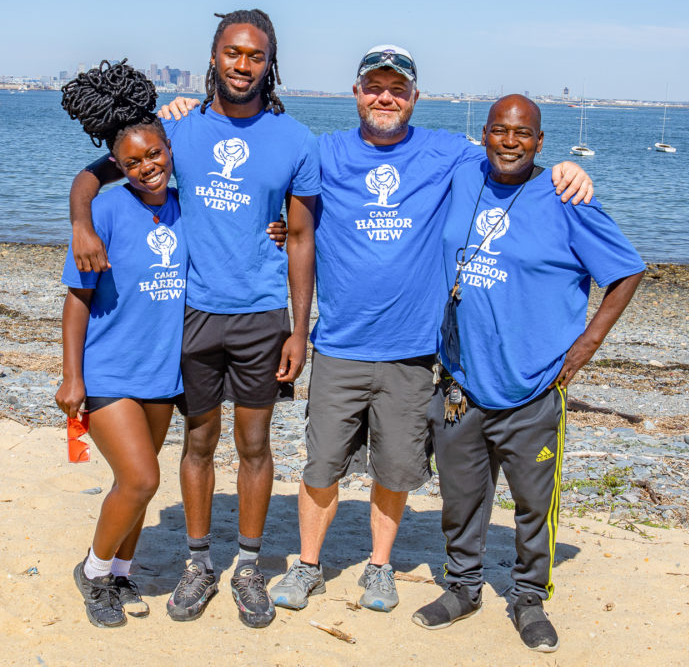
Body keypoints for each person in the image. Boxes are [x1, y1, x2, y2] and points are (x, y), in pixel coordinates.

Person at [164, 46, 593, 615]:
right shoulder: (326, 150)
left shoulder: (448, 153)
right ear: (356, 92)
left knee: (394, 468)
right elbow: (277, 197)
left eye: (397, 89)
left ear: (415, 97)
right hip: (339, 341)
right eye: (374, 87)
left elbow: (510, 157)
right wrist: (189, 114)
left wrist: (565, 167)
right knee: (321, 465)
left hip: (414, 349)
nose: (384, 97)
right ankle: (310, 566)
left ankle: (380, 568)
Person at [69, 10, 319, 629]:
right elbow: (100, 171)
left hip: (262, 316)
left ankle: (252, 567)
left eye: (255, 55)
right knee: (199, 442)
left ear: (270, 63)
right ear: (213, 57)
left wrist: (299, 327)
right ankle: (198, 564)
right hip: (196, 315)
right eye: (232, 53)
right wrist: (80, 220)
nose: (243, 64)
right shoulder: (178, 131)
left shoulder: (296, 141)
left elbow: (303, 237)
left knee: (256, 445)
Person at [413, 94, 645, 653]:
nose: (509, 142)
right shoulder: (466, 173)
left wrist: (587, 343)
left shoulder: (566, 197)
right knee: (461, 498)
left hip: (534, 386)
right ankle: (463, 588)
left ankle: (527, 597)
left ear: (541, 142)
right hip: (462, 383)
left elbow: (627, 271)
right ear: (485, 134)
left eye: (522, 134)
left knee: (533, 506)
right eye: (499, 130)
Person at [56, 60, 186, 628]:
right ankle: (91, 571)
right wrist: (71, 377)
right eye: (132, 162)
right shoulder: (104, 210)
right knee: (141, 479)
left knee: (137, 481)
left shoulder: (188, 208)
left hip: (163, 372)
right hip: (108, 369)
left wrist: (276, 230)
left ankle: (120, 571)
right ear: (118, 166)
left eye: (154, 155)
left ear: (169, 148)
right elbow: (77, 300)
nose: (147, 167)